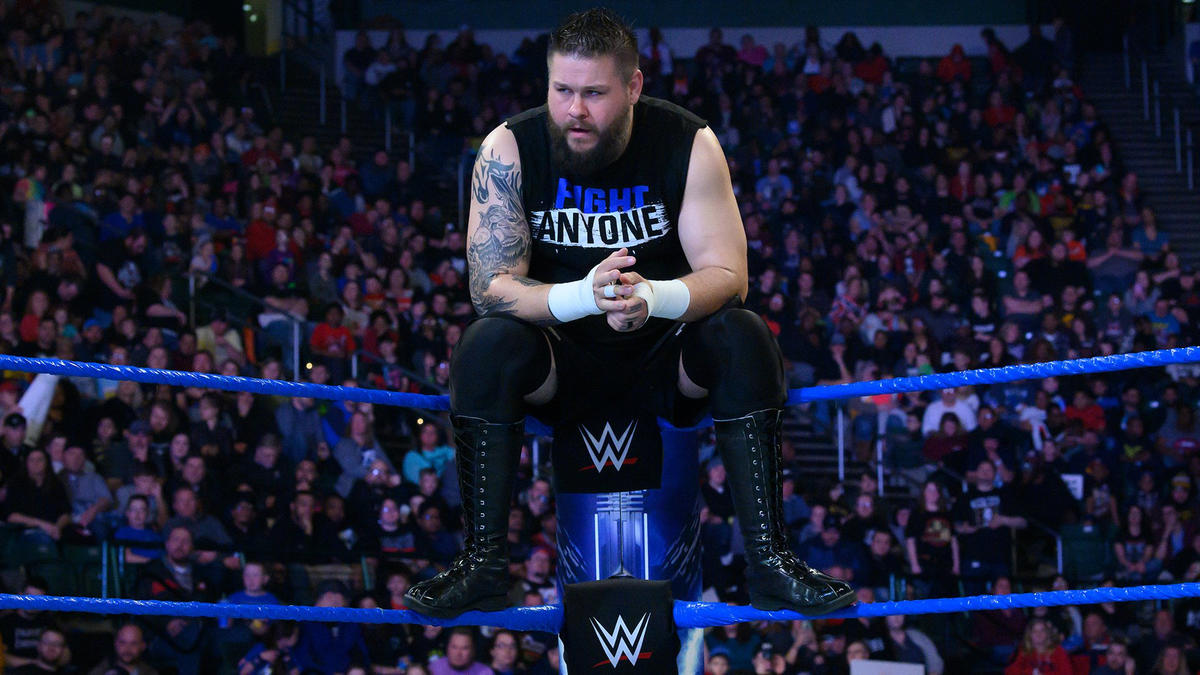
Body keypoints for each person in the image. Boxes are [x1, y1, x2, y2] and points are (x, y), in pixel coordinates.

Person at [404, 7, 853, 618]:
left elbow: (730, 276)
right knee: (484, 342)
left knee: (742, 333)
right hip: (558, 360)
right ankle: (481, 567)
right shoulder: (510, 147)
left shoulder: (687, 143)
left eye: (594, 93)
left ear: (634, 85)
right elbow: (489, 288)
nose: (575, 110)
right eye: (562, 90)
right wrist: (582, 297)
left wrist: (653, 298)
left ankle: (770, 563)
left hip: (665, 355)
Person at [87, 624, 159, 675]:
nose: (127, 648)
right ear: (115, 643)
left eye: (133, 643)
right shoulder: (100, 670)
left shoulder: (150, 673)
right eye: (122, 643)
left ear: (143, 646)